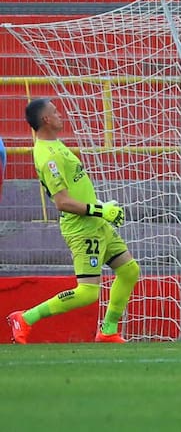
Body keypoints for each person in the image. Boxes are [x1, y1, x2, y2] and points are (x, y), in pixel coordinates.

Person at [7, 98, 140, 344]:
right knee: (88, 292)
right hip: (81, 228)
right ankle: (25, 318)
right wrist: (100, 210)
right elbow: (62, 202)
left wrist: (101, 210)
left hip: (95, 221)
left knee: (129, 270)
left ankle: (108, 330)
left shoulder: (55, 145)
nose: (61, 115)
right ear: (46, 119)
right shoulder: (48, 157)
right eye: (55, 112)